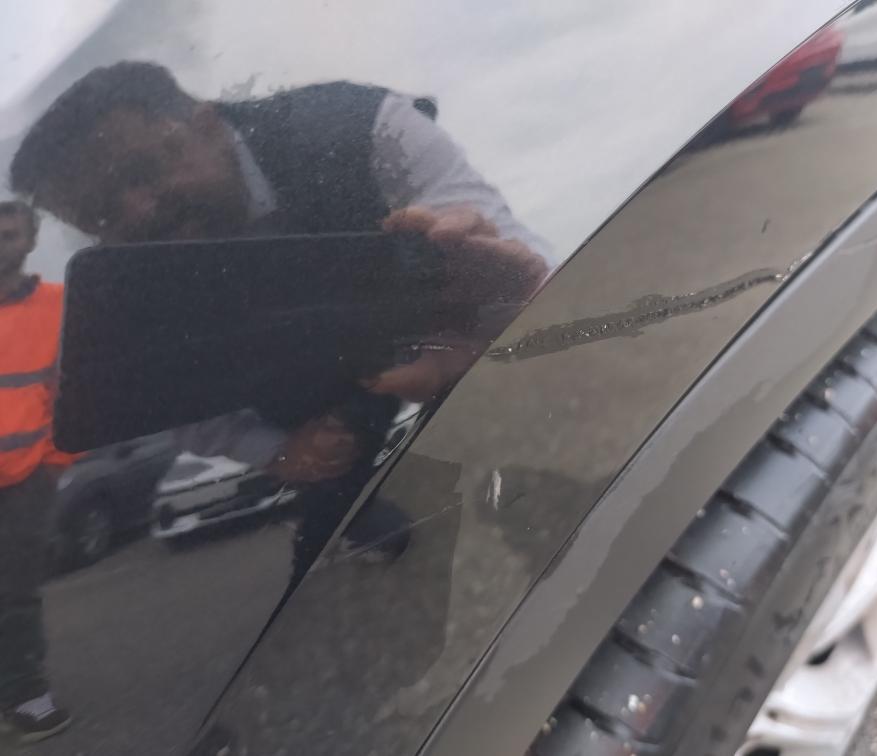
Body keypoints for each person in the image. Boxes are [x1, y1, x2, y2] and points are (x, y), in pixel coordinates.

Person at [9, 62, 548, 575]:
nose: (139, 212)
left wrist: (496, 303)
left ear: (208, 123)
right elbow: (170, 398)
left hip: (433, 334)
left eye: (143, 171)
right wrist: (279, 451)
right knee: (342, 485)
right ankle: (349, 518)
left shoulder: (360, 126)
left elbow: (524, 266)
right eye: (100, 215)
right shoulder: (126, 277)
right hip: (305, 394)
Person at [0, 200, 73, 744]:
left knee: (15, 588)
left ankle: (25, 693)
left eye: (8, 235)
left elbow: (74, 391)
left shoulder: (58, 306)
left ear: (29, 243)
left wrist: (54, 464)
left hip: (28, 477)